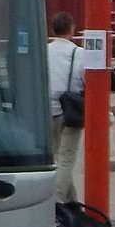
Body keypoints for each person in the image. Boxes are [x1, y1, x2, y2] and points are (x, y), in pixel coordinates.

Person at [48, 11, 86, 205]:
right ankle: (59, 202)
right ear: (72, 29)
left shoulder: (45, 51)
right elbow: (87, 81)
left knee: (57, 157)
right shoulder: (78, 53)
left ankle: (73, 203)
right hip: (71, 113)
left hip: (48, 112)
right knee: (67, 159)